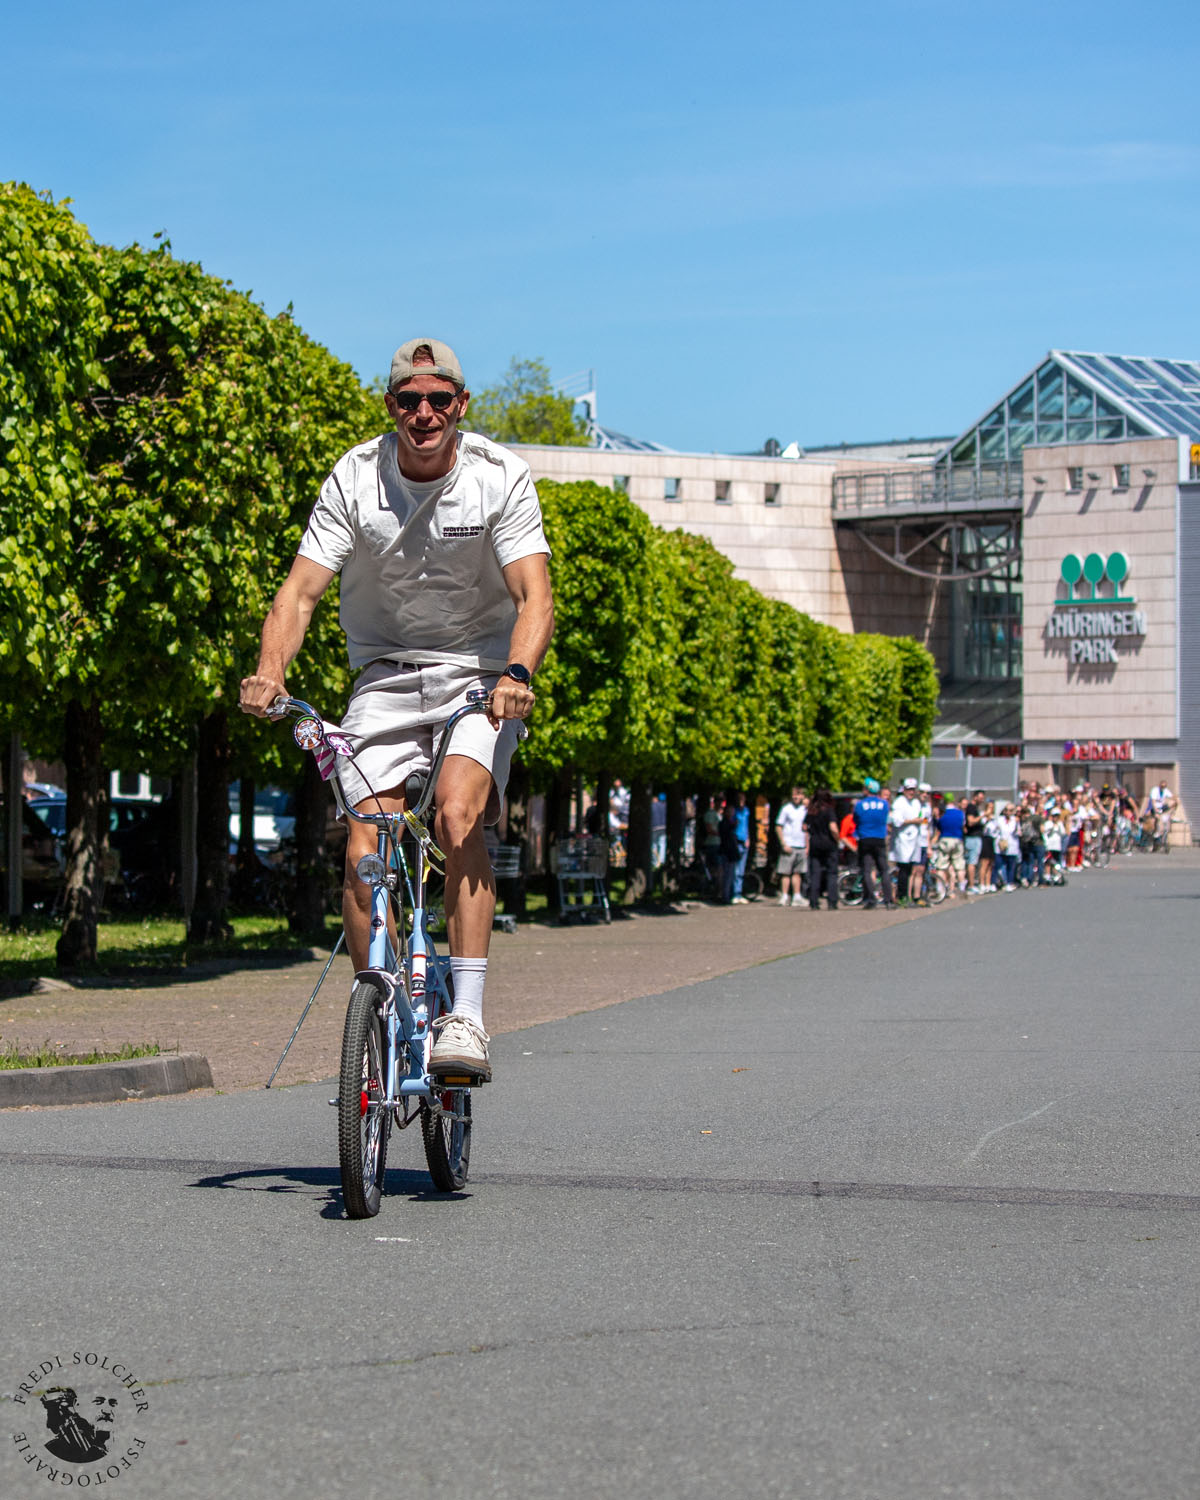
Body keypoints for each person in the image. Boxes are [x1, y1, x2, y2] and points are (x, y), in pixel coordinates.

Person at [239, 338, 554, 1083]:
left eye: (439, 399)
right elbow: (300, 593)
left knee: (456, 817)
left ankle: (466, 1016)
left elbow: (533, 596)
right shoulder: (356, 476)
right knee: (364, 850)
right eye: (409, 400)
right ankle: (378, 1011)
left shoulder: (499, 477)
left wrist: (516, 674)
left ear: (461, 405)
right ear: (392, 406)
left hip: (478, 678)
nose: (424, 413)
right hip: (382, 677)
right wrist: (270, 670)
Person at [853, 777, 893, 909]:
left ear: (866, 789)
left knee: (866, 870)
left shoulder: (860, 804)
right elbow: (885, 818)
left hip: (865, 838)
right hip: (879, 838)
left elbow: (856, 819)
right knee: (884, 870)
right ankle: (888, 900)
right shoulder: (884, 804)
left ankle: (871, 899)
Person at [803, 789, 841, 909]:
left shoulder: (812, 811)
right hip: (829, 843)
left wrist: (813, 831)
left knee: (815, 873)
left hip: (815, 843)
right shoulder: (829, 811)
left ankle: (814, 901)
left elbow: (804, 827)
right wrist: (838, 839)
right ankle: (832, 901)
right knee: (832, 873)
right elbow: (833, 827)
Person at [889, 777, 923, 904]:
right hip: (902, 840)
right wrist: (913, 821)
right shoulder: (899, 802)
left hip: (914, 840)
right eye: (909, 789)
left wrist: (919, 821)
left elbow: (922, 818)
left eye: (913, 789)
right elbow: (897, 821)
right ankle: (901, 896)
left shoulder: (916, 803)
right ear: (904, 790)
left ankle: (906, 896)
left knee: (909, 869)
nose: (911, 792)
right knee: (903, 869)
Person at [774, 787, 807, 906]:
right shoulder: (786, 809)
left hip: (801, 844)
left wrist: (806, 845)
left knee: (798, 872)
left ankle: (796, 896)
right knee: (785, 872)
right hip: (789, 844)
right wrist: (783, 843)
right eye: (794, 794)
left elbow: (806, 828)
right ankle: (784, 896)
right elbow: (778, 826)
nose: (796, 797)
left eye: (798, 794)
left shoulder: (805, 809)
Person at [730, 791, 752, 903]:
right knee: (735, 869)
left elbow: (746, 826)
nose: (741, 801)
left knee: (741, 870)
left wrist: (748, 838)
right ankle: (734, 893)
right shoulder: (734, 811)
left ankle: (739, 893)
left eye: (743, 799)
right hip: (736, 841)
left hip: (744, 841)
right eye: (739, 799)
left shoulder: (746, 811)